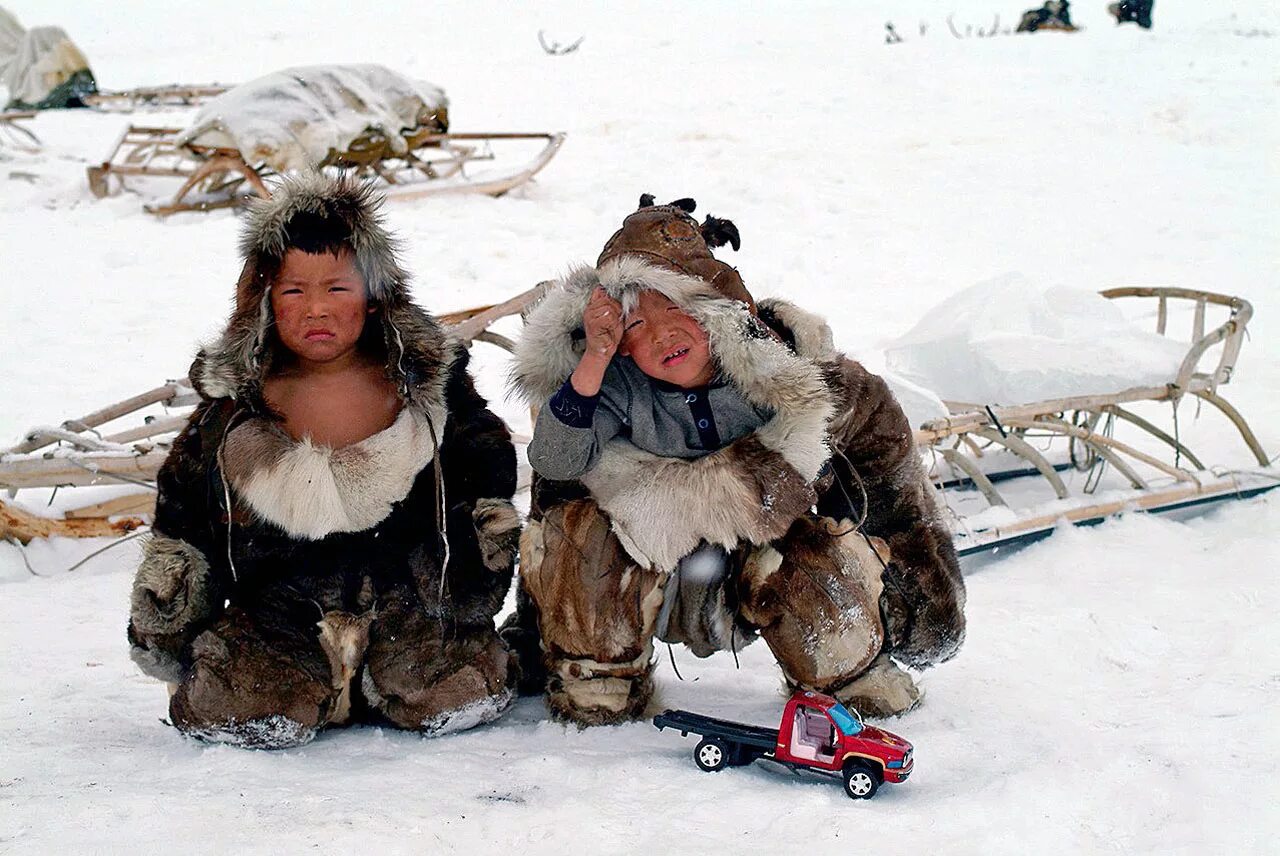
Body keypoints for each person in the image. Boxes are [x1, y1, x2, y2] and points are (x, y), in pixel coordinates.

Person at [504, 196, 966, 726]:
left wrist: (923, 601)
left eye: (677, 307)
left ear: (717, 308)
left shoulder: (805, 381)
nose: (662, 334)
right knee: (583, 532)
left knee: (819, 544)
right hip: (649, 572)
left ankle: (844, 670)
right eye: (633, 326)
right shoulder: (610, 389)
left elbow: (893, 495)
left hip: (766, 570)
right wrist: (592, 361)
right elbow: (556, 468)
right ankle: (600, 677)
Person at [126, 174, 520, 748]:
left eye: (337, 289)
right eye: (293, 292)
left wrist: (475, 545)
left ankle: (384, 671)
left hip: (403, 595)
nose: (316, 309)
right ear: (263, 300)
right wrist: (173, 600)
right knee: (237, 708)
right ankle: (297, 675)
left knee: (458, 690)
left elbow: (483, 456)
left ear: (374, 294)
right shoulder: (238, 403)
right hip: (280, 603)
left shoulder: (424, 386)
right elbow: (185, 502)